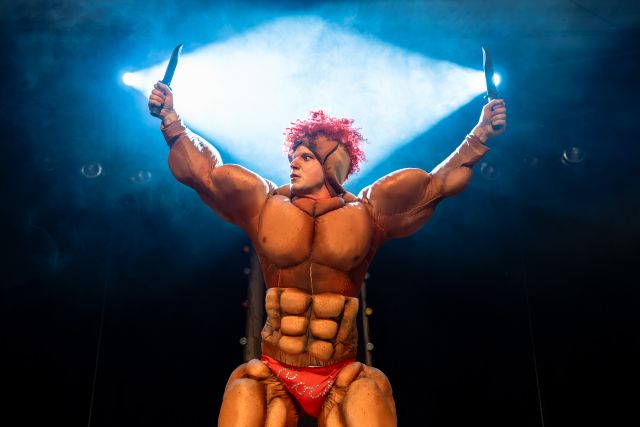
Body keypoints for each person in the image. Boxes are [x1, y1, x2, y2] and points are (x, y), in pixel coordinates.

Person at [148, 81, 506, 426]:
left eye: (305, 156)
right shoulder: (265, 205)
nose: (294, 163)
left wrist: (479, 136)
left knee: (367, 390)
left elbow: (438, 184)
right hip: (275, 372)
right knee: (244, 388)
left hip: (339, 375)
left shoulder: (369, 214)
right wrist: (171, 121)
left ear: (332, 163)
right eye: (293, 156)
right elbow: (204, 175)